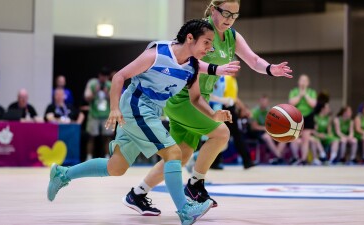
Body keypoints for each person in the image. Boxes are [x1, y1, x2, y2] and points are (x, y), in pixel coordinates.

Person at [47, 19, 239, 225]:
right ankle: (185, 210)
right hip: (136, 106)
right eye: (207, 43)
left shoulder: (191, 67)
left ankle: (63, 174)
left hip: (150, 111)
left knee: (116, 167)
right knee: (174, 153)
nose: (210, 48)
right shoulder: (158, 53)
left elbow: (195, 98)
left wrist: (213, 115)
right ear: (190, 38)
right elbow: (120, 76)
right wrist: (114, 108)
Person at [123, 0, 292, 216]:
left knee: (181, 156)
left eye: (235, 15)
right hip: (181, 95)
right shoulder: (199, 30)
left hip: (199, 99)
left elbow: (253, 59)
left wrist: (270, 69)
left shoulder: (232, 36)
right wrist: (215, 69)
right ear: (214, 10)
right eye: (226, 13)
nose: (230, 19)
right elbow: (181, 59)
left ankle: (137, 193)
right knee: (222, 133)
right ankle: (195, 185)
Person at [84, 67, 113, 160]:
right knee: (91, 137)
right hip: (94, 115)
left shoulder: (110, 85)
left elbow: (116, 99)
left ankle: (107, 157)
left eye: (106, 76)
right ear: (99, 75)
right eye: (102, 76)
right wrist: (95, 92)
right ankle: (88, 157)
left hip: (106, 115)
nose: (104, 78)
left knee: (107, 137)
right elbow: (87, 98)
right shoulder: (92, 83)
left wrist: (107, 93)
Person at [250, 95, 286, 165]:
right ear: (259, 102)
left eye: (265, 102)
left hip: (269, 131)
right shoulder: (254, 112)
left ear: (268, 103)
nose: (264, 103)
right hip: (257, 132)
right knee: (267, 137)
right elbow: (254, 127)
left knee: (284, 137)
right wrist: (265, 129)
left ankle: (277, 158)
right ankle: (279, 156)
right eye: (262, 101)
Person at [289, 74, 316, 165]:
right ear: (298, 82)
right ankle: (296, 157)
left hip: (308, 116)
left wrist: (306, 95)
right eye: (301, 80)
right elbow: (291, 103)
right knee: (294, 138)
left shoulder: (311, 92)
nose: (303, 82)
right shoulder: (294, 91)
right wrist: (300, 95)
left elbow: (313, 104)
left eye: (305, 81)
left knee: (306, 139)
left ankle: (304, 159)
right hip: (296, 116)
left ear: (308, 83)